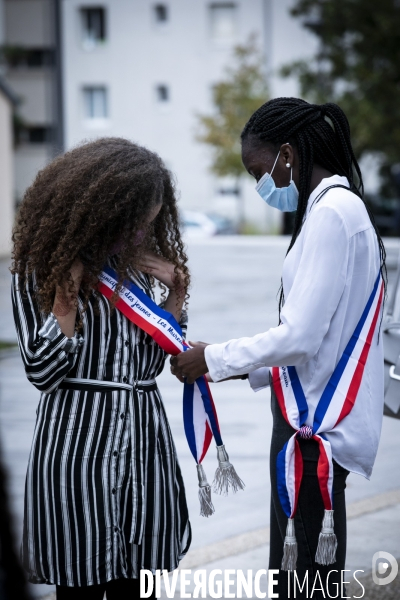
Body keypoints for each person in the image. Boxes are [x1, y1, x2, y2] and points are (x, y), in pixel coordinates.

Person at [171, 98, 386, 598]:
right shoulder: (335, 208)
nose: (259, 185)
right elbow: (320, 339)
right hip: (307, 421)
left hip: (312, 430)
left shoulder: (333, 214)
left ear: (287, 154)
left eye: (258, 170)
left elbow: (302, 337)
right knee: (299, 570)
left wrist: (216, 357)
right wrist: (228, 368)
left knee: (302, 578)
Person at [11, 138, 191, 599]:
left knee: (140, 583)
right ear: (98, 211)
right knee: (80, 581)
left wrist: (174, 294)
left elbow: (149, 364)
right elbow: (42, 373)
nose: (137, 236)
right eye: (132, 224)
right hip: (77, 450)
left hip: (144, 447)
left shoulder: (133, 270)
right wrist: (66, 301)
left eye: (147, 225)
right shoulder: (39, 267)